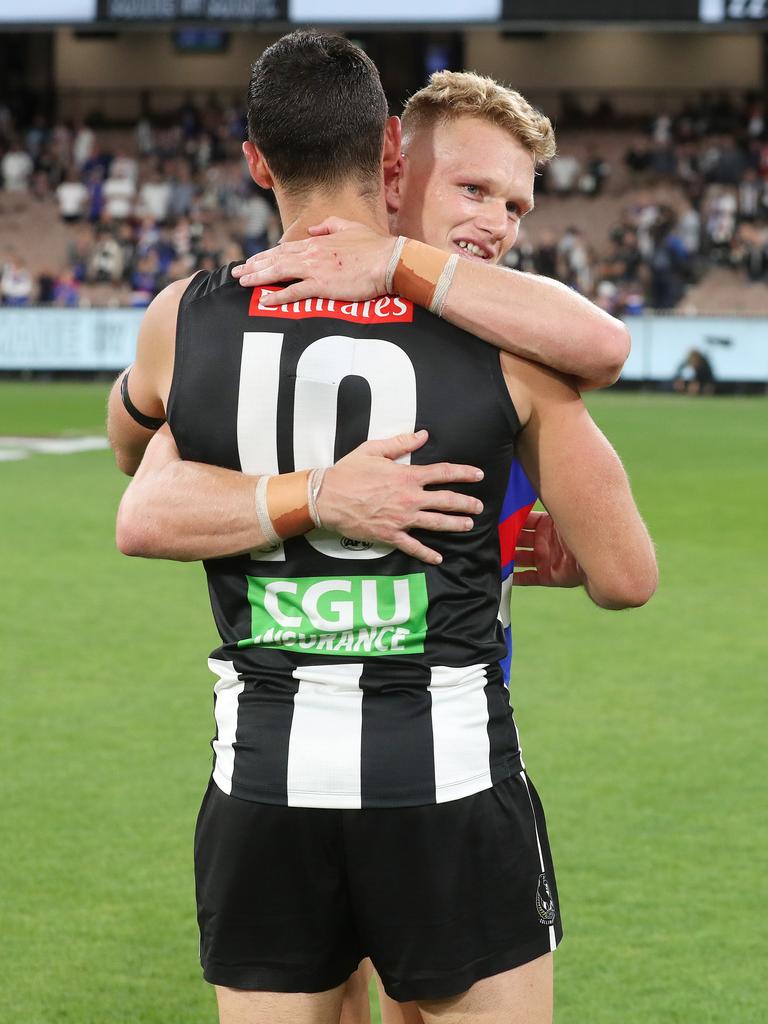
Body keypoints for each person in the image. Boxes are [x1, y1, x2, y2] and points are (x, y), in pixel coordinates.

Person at [109, 32, 657, 1024]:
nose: (496, 224)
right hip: (443, 769)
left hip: (264, 780)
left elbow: (134, 464)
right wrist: (326, 492)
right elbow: (629, 568)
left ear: (259, 161)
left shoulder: (197, 315)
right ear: (393, 161)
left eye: (516, 205)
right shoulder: (508, 348)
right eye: (477, 191)